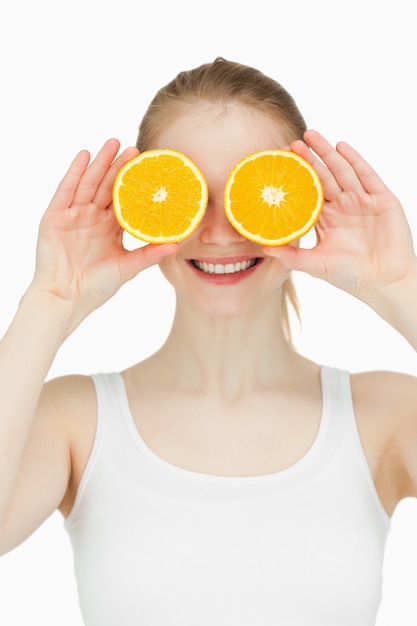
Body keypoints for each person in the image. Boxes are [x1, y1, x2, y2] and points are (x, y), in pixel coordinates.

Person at [0, 57, 416, 625]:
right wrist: (48, 301)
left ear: (303, 203)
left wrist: (401, 289)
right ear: (142, 204)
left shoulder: (385, 415)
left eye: (253, 192)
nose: (219, 233)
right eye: (188, 193)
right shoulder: (76, 419)